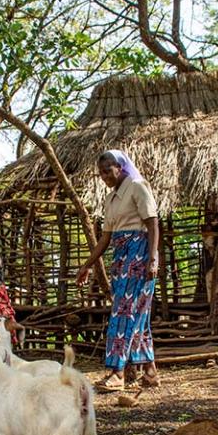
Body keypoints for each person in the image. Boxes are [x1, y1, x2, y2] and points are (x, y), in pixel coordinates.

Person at [76, 150, 160, 390]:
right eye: (101, 172)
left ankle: (117, 373)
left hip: (140, 255)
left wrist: (152, 259)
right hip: (121, 257)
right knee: (138, 315)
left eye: (108, 170)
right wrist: (87, 265)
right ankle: (151, 372)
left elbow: (152, 223)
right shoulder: (111, 199)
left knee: (123, 313)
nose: (104, 176)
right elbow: (105, 238)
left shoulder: (137, 186)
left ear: (120, 167)